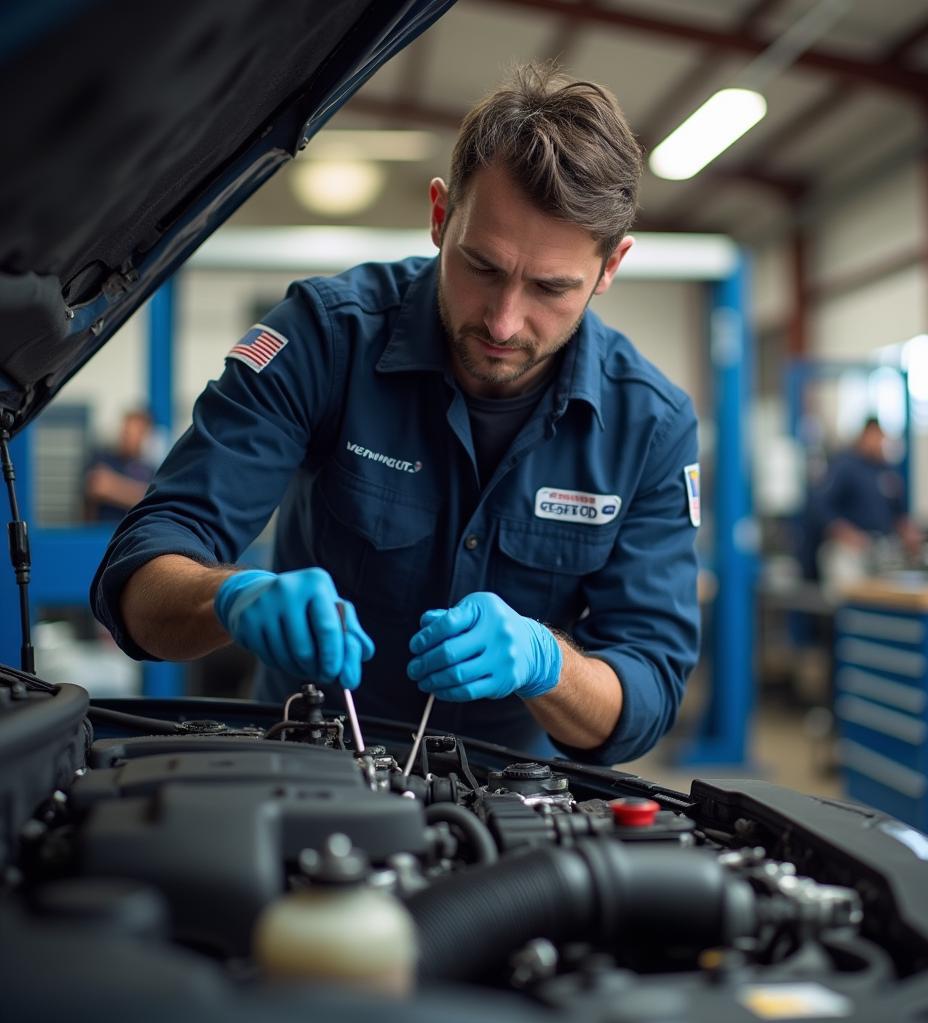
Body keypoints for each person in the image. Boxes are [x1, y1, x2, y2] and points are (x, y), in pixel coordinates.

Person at [90, 64, 701, 765]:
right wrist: (232, 597)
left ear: (610, 266)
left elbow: (647, 693)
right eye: (482, 267)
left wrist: (548, 662)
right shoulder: (325, 338)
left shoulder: (648, 426)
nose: (504, 321)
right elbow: (138, 576)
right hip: (304, 765)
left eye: (551, 288)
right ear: (441, 215)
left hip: (509, 802)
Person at [811, 417, 920, 588]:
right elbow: (820, 506)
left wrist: (909, 532)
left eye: (881, 438)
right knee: (850, 589)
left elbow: (901, 514)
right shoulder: (844, 466)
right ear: (864, 436)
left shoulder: (887, 471)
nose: (878, 442)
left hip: (883, 549)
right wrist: (845, 533)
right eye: (874, 437)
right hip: (849, 550)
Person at [83, 408, 156, 523]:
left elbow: (153, 500)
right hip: (100, 534)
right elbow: (97, 485)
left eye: (136, 433)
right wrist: (138, 493)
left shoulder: (150, 469)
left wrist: (113, 486)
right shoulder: (103, 459)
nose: (128, 438)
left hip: (133, 534)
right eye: (126, 432)